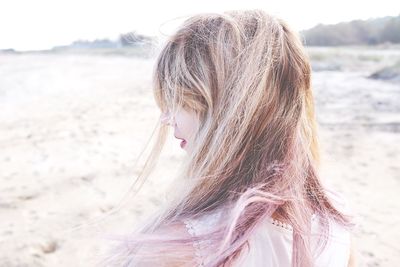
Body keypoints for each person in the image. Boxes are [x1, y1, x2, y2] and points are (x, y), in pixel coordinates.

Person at [102, 9, 357, 267]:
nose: (166, 119)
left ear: (225, 110)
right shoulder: (334, 219)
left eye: (176, 100)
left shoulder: (182, 249)